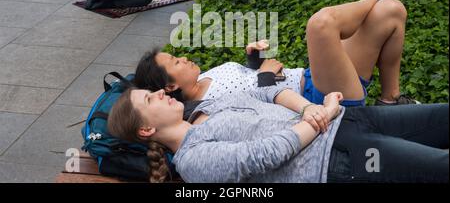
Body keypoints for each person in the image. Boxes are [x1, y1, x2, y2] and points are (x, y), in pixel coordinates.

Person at [134, 0, 418, 106]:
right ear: (169, 88)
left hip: (317, 77)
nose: (183, 57)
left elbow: (250, 76)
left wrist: (254, 58)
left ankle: (390, 99)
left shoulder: (208, 75)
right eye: (175, 62)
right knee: (320, 25)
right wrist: (267, 75)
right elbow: (263, 113)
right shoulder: (206, 109)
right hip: (322, 101)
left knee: (391, 12)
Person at [107, 86, 449, 183]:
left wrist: (307, 108)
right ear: (146, 129)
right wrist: (321, 117)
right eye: (150, 99)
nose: (161, 93)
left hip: (351, 120)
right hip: (339, 158)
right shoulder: (193, 161)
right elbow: (263, 155)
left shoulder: (205, 106)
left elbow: (267, 93)